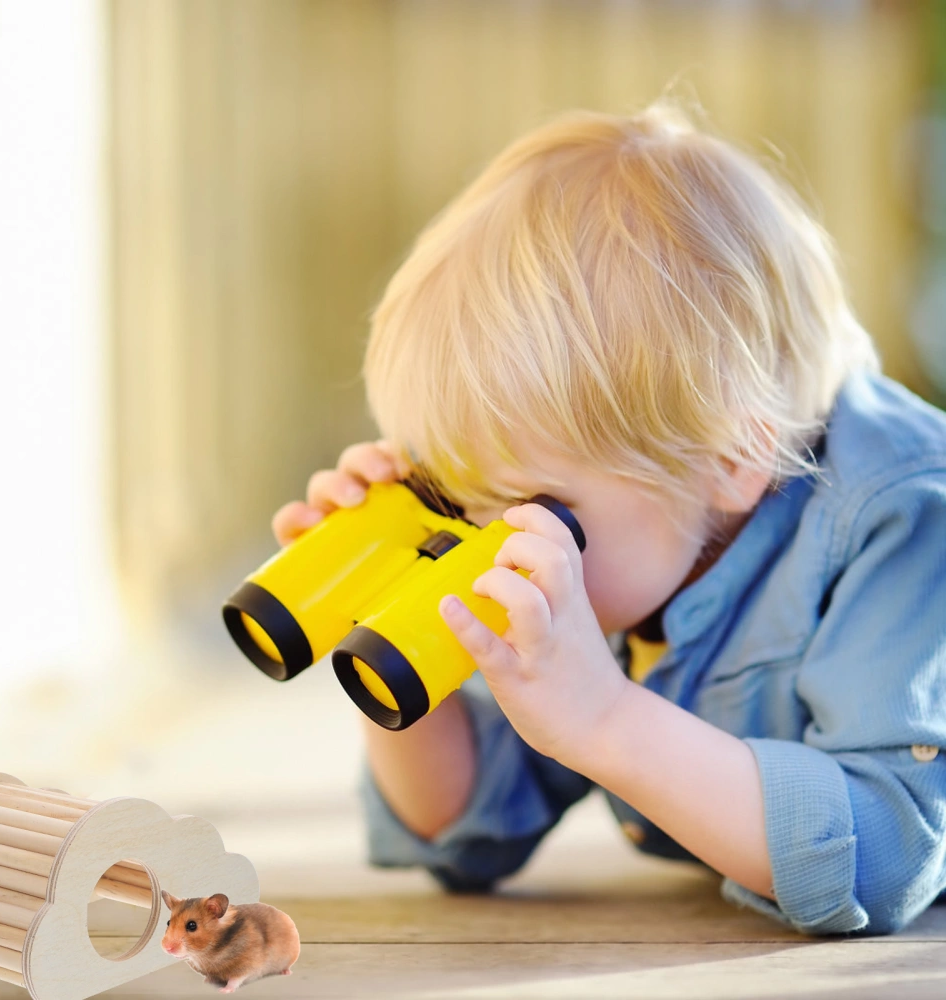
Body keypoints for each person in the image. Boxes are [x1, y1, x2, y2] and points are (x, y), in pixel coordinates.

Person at [271, 101, 946, 935]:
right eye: (449, 495)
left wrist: (604, 718)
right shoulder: (634, 548)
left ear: (731, 457)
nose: (484, 549)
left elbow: (884, 853)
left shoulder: (905, 520)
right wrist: (378, 622)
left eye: (531, 506)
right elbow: (465, 830)